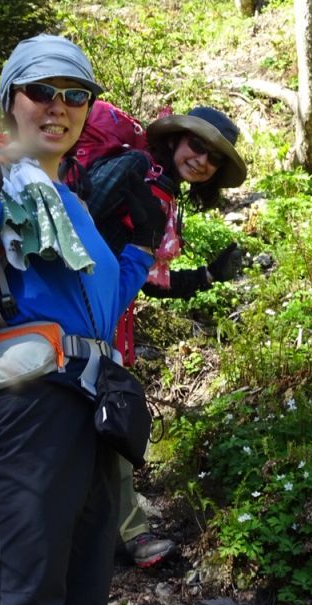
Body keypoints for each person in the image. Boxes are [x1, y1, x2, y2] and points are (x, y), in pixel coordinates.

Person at [0, 34, 166, 605]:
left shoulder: (71, 204)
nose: (57, 106)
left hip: (89, 411)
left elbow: (94, 313)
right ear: (13, 100)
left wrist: (140, 250)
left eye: (75, 95)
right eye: (41, 91)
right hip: (27, 410)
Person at [104, 106, 248, 568]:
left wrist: (205, 276)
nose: (202, 160)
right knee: (114, 421)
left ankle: (104, 533)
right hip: (87, 319)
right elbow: (102, 244)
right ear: (176, 140)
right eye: (197, 146)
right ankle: (129, 536)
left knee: (105, 422)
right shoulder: (144, 173)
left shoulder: (163, 187)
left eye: (213, 158)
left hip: (105, 318)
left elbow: (144, 277)